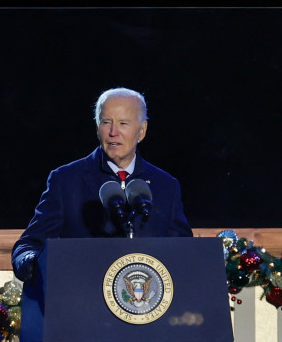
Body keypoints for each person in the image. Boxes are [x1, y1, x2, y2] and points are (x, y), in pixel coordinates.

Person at [11, 87, 192, 282]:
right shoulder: (65, 180)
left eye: (123, 123)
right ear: (97, 127)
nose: (114, 132)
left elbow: (185, 253)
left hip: (148, 302)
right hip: (83, 299)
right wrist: (30, 261)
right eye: (106, 122)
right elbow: (29, 245)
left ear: (142, 130)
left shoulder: (166, 186)